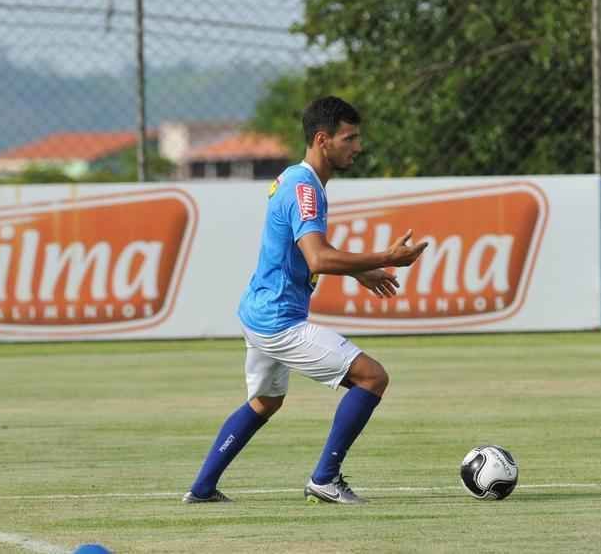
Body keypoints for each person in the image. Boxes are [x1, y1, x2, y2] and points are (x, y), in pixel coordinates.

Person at [182, 96, 427, 505]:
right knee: (372, 377)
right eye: (349, 138)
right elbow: (317, 256)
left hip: (258, 311)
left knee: (265, 402)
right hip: (279, 320)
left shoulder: (299, 180)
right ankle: (325, 479)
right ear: (322, 139)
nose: (357, 147)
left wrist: (359, 271)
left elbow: (306, 253)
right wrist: (387, 257)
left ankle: (203, 488)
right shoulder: (305, 188)